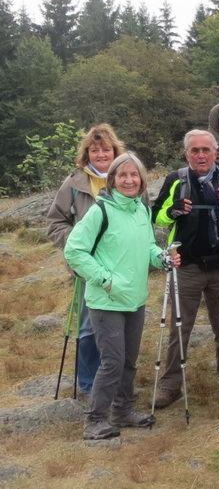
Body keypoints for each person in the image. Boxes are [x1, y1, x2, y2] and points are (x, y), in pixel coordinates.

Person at [65, 152, 176, 440]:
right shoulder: (100, 211)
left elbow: (149, 246)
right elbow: (74, 251)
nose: (129, 180)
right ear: (112, 180)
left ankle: (123, 411)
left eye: (134, 175)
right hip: (106, 300)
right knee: (112, 361)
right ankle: (95, 420)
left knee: (128, 360)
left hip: (135, 299)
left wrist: (162, 258)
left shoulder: (141, 209)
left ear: (142, 180)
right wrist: (104, 279)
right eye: (122, 175)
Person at [151, 130, 219, 408]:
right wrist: (172, 210)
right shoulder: (176, 180)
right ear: (187, 154)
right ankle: (170, 386)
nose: (200, 155)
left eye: (206, 150)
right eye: (194, 150)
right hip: (187, 267)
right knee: (179, 329)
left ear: (215, 152)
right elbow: (157, 217)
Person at [46, 123, 127, 398]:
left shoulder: (127, 178)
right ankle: (89, 384)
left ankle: (117, 382)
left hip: (122, 265)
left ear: (115, 150)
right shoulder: (74, 182)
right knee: (89, 325)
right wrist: (79, 245)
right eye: (95, 150)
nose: (101, 154)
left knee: (121, 325)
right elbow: (55, 223)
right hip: (87, 267)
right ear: (87, 153)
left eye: (106, 149)